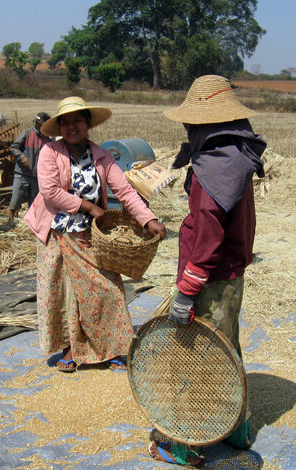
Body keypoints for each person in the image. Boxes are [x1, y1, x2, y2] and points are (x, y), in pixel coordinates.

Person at [148, 75, 266, 466]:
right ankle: (237, 429)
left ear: (203, 125)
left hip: (211, 281)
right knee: (227, 348)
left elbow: (208, 237)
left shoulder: (211, 170)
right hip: (233, 278)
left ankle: (185, 443)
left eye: (190, 123)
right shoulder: (236, 158)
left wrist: (185, 290)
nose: (186, 129)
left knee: (197, 358)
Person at [24, 96, 166, 373]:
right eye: (65, 122)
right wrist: (87, 206)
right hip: (57, 233)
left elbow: (124, 191)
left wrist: (148, 219)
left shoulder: (102, 156)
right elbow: (50, 192)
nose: (71, 126)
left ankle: (112, 346)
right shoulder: (50, 153)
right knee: (66, 294)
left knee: (108, 288)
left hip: (91, 235)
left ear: (88, 123)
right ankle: (70, 347)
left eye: (77, 120)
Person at [7, 112, 52, 220]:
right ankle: (9, 222)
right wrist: (22, 157)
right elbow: (14, 148)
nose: (39, 126)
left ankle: (31, 224)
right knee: (15, 200)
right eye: (38, 124)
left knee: (34, 204)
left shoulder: (48, 140)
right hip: (22, 173)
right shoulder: (27, 133)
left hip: (36, 176)